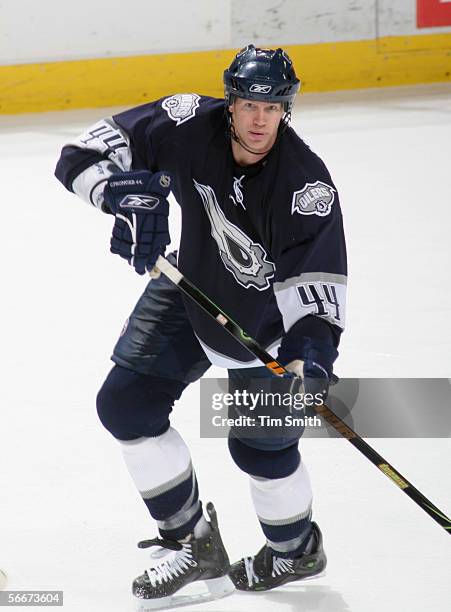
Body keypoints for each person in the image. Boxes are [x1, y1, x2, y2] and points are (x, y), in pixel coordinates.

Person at [55, 44, 347, 608]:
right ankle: (192, 545)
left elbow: (318, 292)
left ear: (288, 109)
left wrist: (311, 360)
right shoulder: (187, 121)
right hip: (189, 288)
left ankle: (295, 549)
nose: (261, 119)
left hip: (264, 327)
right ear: (230, 100)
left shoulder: (307, 189)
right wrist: (118, 197)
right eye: (249, 103)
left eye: (274, 106)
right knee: (126, 405)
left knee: (259, 450)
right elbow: (79, 155)